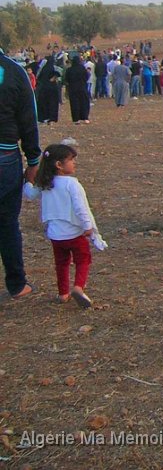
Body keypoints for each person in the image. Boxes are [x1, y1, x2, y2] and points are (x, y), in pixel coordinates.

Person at [23, 144, 101, 307]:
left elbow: (30, 194)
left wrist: (28, 181)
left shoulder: (45, 183)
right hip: (74, 233)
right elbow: (80, 208)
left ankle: (63, 293)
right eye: (71, 160)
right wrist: (88, 226)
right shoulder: (71, 184)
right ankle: (78, 287)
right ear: (59, 165)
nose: (74, 163)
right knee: (83, 259)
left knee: (61, 263)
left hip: (56, 235)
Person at [0, 47, 41, 299]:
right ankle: (17, 284)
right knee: (7, 223)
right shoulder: (14, 71)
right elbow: (28, 119)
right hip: (5, 156)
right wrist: (34, 159)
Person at [64, 54, 92, 124]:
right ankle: (85, 117)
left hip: (73, 89)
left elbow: (66, 80)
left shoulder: (69, 70)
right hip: (82, 88)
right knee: (84, 103)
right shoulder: (83, 69)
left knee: (74, 104)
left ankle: (76, 119)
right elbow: (86, 77)